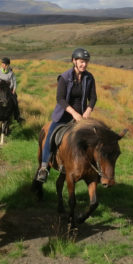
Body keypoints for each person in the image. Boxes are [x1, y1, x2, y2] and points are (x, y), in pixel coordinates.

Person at [36, 48, 97, 183]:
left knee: (96, 138)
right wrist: (74, 113)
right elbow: (60, 99)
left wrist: (88, 111)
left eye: (86, 62)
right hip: (64, 115)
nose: (84, 64)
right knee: (50, 137)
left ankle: (96, 169)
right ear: (74, 61)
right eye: (81, 61)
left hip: (82, 117)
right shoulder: (64, 77)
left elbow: (93, 98)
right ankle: (44, 168)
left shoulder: (89, 78)